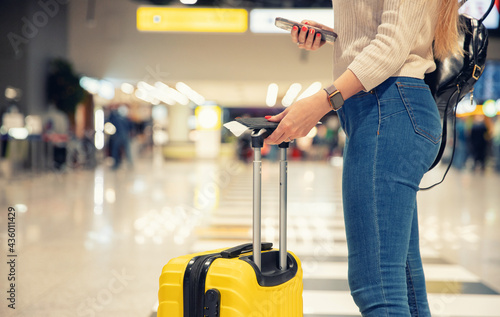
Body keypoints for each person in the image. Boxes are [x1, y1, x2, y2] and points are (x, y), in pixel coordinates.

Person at [265, 1, 461, 315]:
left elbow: (393, 46)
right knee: (403, 287)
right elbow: (390, 32)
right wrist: (341, 39)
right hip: (387, 109)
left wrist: (324, 101)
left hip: (388, 108)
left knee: (377, 287)